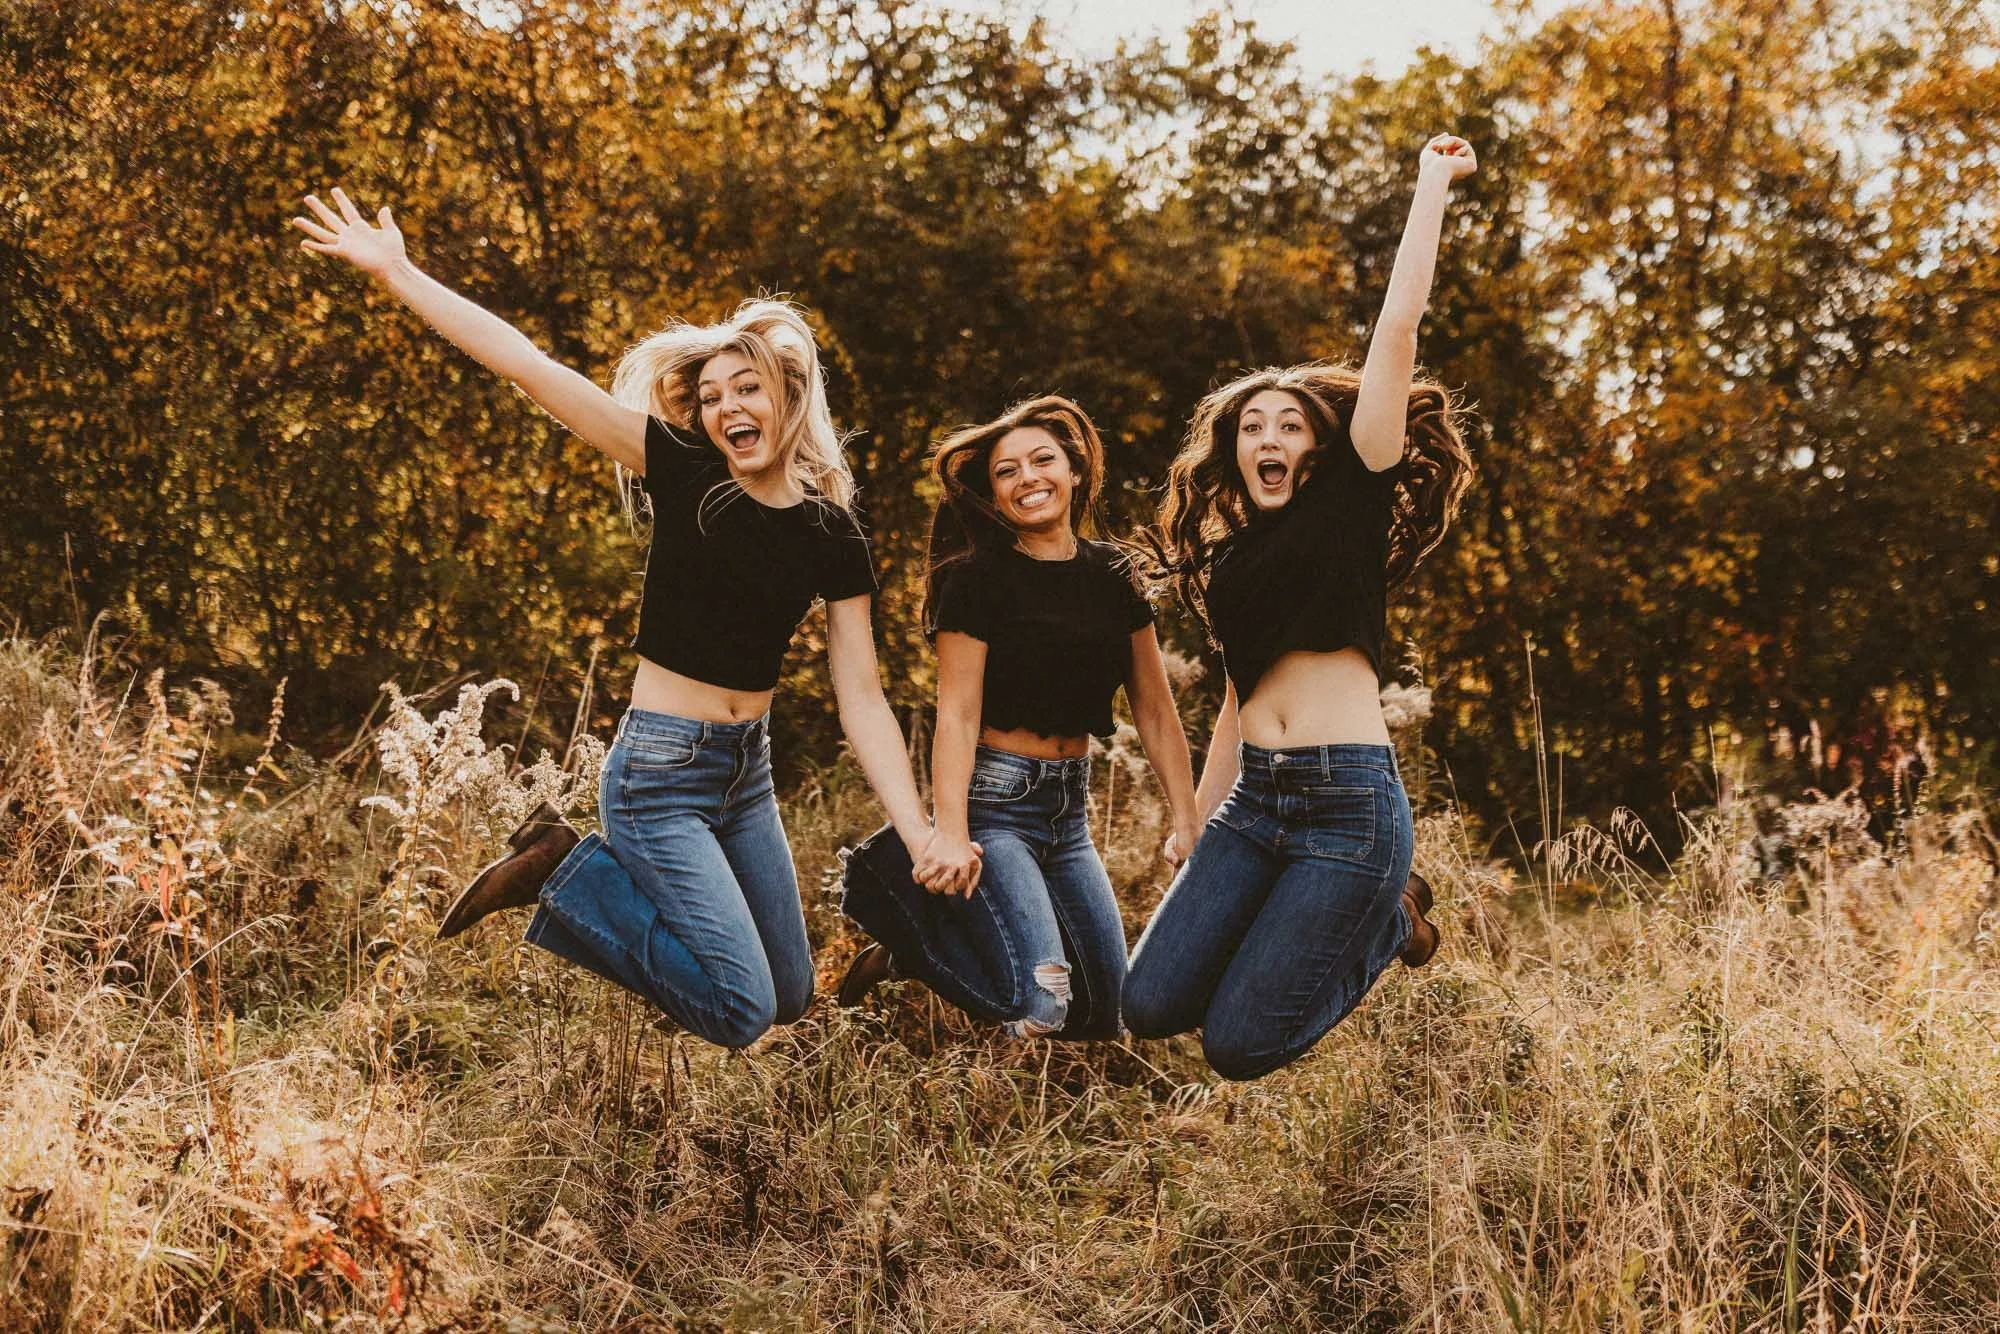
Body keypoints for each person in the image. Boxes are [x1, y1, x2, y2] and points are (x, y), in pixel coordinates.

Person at [292, 188, 976, 1048]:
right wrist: (400, 274)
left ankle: (569, 871)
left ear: (789, 396)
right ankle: (562, 871)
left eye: (747, 390)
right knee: (742, 1010)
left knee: (793, 995)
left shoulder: (831, 531)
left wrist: (918, 832)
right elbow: (530, 367)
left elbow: (864, 697)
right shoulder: (685, 470)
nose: (728, 409)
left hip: (745, 777)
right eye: (712, 395)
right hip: (657, 776)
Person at [1122, 134, 1478, 1080]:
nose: (1269, 436)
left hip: (1348, 802)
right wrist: (1196, 819)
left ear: (1322, 447)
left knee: (1239, 1047)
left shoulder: (1352, 499)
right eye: (1252, 427)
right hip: (1254, 802)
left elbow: (1396, 331)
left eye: (1290, 424)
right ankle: (1329, 913)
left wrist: (1431, 185)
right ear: (1234, 450)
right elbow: (1240, 697)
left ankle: (1388, 920)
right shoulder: (1231, 558)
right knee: (1146, 1003)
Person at [837, 397, 1198, 1040]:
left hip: (1070, 809)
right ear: (993, 494)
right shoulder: (975, 580)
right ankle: (911, 941)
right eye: (1007, 472)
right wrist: (949, 832)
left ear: (1076, 471)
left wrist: (1187, 816)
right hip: (997, 803)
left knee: (1105, 1017)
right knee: (1045, 1003)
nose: (1028, 478)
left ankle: (916, 954)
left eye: (1042, 460)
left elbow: (1154, 707)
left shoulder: (1115, 572)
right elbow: (957, 713)